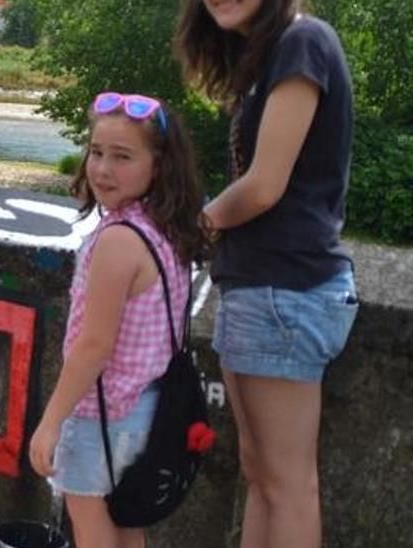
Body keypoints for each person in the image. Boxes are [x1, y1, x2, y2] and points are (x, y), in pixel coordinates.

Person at [175, 1, 358, 546]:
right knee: (262, 475)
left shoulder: (304, 43)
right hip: (261, 287)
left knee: (287, 483)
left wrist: (184, 231)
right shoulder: (273, 55)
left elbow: (264, 185)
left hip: (286, 289)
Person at [27, 93, 210, 546]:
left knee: (91, 528)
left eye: (122, 156)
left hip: (100, 412)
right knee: (129, 524)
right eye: (96, 152)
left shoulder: (117, 241)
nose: (103, 169)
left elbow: (94, 347)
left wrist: (51, 421)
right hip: (146, 406)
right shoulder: (165, 227)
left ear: (159, 164)